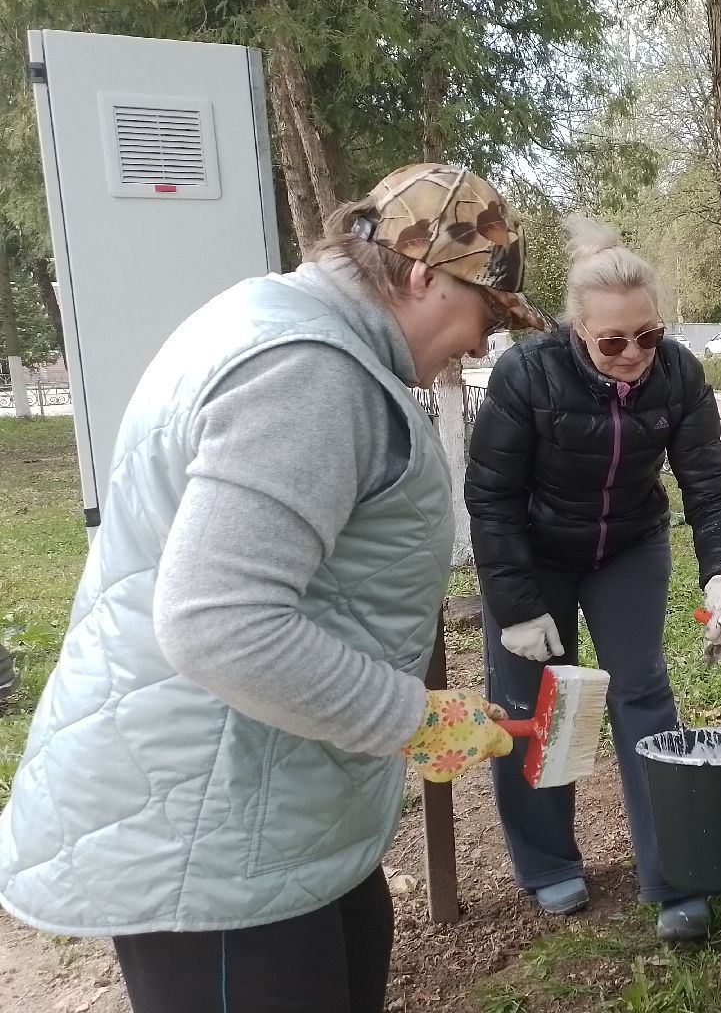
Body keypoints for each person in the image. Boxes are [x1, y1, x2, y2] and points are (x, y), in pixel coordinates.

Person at [0, 163, 544, 1013]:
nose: (481, 346)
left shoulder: (277, 323)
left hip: (267, 814)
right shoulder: (309, 372)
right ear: (420, 275)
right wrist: (411, 715)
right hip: (214, 839)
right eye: (484, 315)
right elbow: (219, 621)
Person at [466, 216, 721, 942]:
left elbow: (709, 485)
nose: (633, 355)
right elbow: (492, 499)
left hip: (628, 543)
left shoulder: (679, 373)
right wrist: (516, 605)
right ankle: (547, 861)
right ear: (577, 331)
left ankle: (674, 870)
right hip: (534, 552)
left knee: (642, 691)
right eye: (613, 341)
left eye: (647, 336)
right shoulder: (526, 375)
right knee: (533, 699)